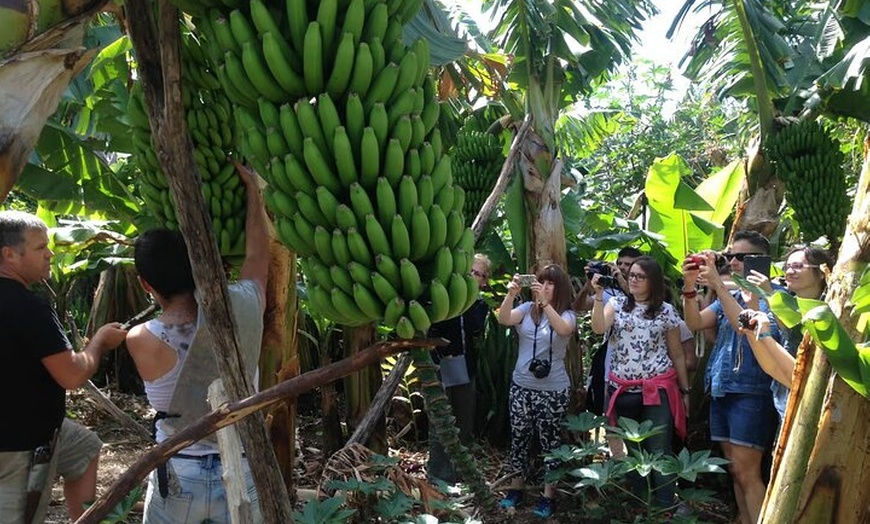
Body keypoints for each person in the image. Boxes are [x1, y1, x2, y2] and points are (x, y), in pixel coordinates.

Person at [125, 163, 269, 524]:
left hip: (178, 471)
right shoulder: (246, 306)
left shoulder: (140, 339)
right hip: (242, 463)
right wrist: (254, 192)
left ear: (146, 284)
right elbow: (258, 257)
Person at [0, 210, 127, 523]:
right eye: (40, 248)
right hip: (19, 444)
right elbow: (72, 374)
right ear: (9, 255)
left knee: (84, 448)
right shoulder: (29, 307)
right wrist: (97, 343)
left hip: (41, 428)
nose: (50, 253)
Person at [682, 230, 780, 524]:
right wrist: (689, 288)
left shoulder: (775, 296)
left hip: (752, 392)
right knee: (735, 470)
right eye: (731, 256)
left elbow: (744, 325)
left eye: (741, 257)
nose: (733, 262)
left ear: (761, 261)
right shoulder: (732, 294)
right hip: (722, 389)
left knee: (748, 471)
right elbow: (695, 322)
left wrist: (717, 285)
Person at [591, 256, 690, 509]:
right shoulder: (617, 304)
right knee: (634, 452)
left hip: (657, 388)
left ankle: (665, 506)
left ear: (652, 281)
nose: (633, 279)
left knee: (659, 449)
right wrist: (599, 296)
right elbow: (599, 328)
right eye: (631, 275)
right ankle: (643, 506)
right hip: (623, 389)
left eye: (639, 276)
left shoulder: (667, 310)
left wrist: (686, 391)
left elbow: (677, 353)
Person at [497, 264, 576, 519]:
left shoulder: (566, 313)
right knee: (518, 439)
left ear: (559, 288)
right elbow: (504, 319)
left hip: (553, 390)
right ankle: (515, 489)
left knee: (550, 442)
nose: (543, 287)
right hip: (522, 387)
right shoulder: (524, 310)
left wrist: (546, 305)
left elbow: (564, 330)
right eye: (540, 282)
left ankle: (547, 496)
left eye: (550, 283)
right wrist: (511, 294)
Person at [738, 246, 833, 420]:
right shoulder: (787, 302)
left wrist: (768, 293)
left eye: (798, 266)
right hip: (787, 397)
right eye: (787, 266)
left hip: (822, 402)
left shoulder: (831, 310)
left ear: (822, 272)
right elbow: (773, 366)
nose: (790, 271)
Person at [427, 254, 491, 484]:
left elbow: (474, 329)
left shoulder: (480, 305)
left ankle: (459, 472)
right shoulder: (443, 296)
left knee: (463, 419)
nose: (473, 276)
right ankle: (437, 476)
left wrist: (470, 301)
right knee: (441, 421)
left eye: (479, 274)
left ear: (484, 281)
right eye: (470, 271)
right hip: (439, 362)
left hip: (464, 365)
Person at [574, 247, 641, 458]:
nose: (621, 268)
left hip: (638, 369)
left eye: (627, 265)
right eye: (619, 263)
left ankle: (635, 464)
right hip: (610, 363)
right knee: (610, 415)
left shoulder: (646, 292)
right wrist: (590, 283)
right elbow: (579, 306)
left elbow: (634, 300)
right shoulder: (609, 292)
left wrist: (621, 279)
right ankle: (619, 463)